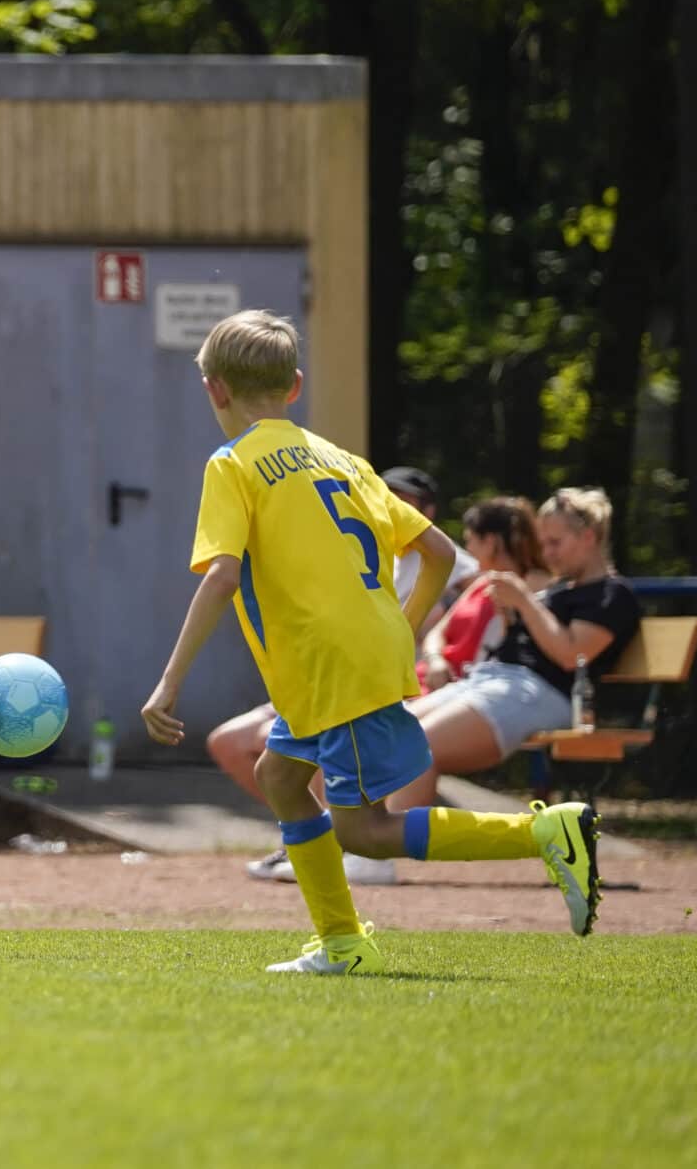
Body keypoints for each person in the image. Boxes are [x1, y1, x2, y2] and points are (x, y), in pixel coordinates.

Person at [142, 310, 602, 976]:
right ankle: (342, 941)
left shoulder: (232, 463)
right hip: (341, 662)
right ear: (295, 385)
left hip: (330, 666)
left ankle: (546, 831)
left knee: (364, 829)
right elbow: (439, 552)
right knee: (281, 778)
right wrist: (404, 625)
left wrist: (169, 681)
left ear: (214, 388)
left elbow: (222, 575)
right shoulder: (343, 459)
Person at [211, 466, 477, 885]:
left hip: (380, 682)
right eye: (386, 494)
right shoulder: (358, 545)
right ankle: (316, 837)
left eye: (404, 499)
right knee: (230, 743)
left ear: (426, 509)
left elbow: (465, 598)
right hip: (328, 673)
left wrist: (409, 636)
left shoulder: (454, 562)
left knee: (298, 754)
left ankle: (334, 845)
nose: (390, 503)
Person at [386, 487, 641, 813]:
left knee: (416, 744)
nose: (546, 553)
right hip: (491, 681)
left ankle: (378, 855)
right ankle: (355, 847)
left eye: (555, 543)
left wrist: (523, 601)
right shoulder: (560, 591)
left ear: (589, 537)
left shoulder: (611, 595)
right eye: (543, 542)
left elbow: (571, 655)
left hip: (543, 692)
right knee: (384, 733)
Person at [418, 496, 552, 693]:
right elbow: (436, 634)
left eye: (470, 540)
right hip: (432, 680)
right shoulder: (482, 583)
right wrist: (435, 660)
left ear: (490, 542)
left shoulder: (534, 588)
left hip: (472, 688)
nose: (469, 549)